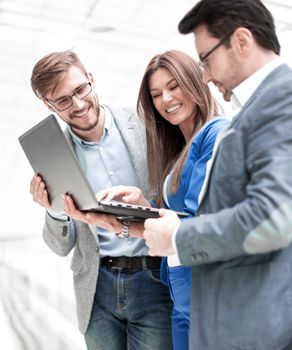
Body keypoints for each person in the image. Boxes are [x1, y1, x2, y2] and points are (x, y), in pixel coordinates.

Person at [141, 1, 292, 349]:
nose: (205, 76)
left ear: (241, 40)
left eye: (206, 60)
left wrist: (180, 237)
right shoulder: (255, 110)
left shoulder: (280, 100)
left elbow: (273, 217)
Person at [65, 50, 229, 349]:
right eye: (156, 94)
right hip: (182, 295)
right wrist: (120, 219)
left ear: (195, 81)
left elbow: (198, 224)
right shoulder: (178, 149)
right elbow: (169, 227)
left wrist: (150, 214)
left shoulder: (216, 135)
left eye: (173, 86)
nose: (166, 99)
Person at [29, 50, 173, 350]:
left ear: (91, 79)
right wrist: (54, 210)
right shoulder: (55, 156)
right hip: (97, 290)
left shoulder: (146, 123)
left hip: (153, 279)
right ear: (48, 105)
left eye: (80, 90)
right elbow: (59, 247)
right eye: (63, 101)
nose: (78, 105)